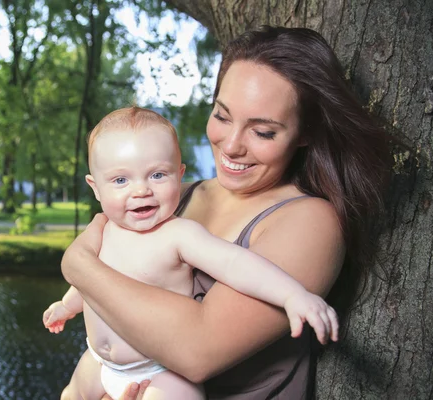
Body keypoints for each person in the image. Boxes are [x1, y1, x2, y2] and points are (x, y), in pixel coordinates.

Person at [59, 26, 390, 400]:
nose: (231, 146)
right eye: (222, 115)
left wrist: (78, 265)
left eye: (263, 132)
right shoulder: (171, 195)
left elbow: (195, 352)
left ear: (305, 132)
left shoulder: (311, 221)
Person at [43, 106, 339, 400]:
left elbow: (236, 264)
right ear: (96, 188)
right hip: (100, 361)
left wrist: (290, 295)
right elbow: (92, 282)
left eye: (157, 175)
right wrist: (67, 305)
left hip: (159, 371)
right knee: (71, 394)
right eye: (121, 180)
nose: (141, 190)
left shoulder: (179, 234)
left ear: (179, 174)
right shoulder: (104, 228)